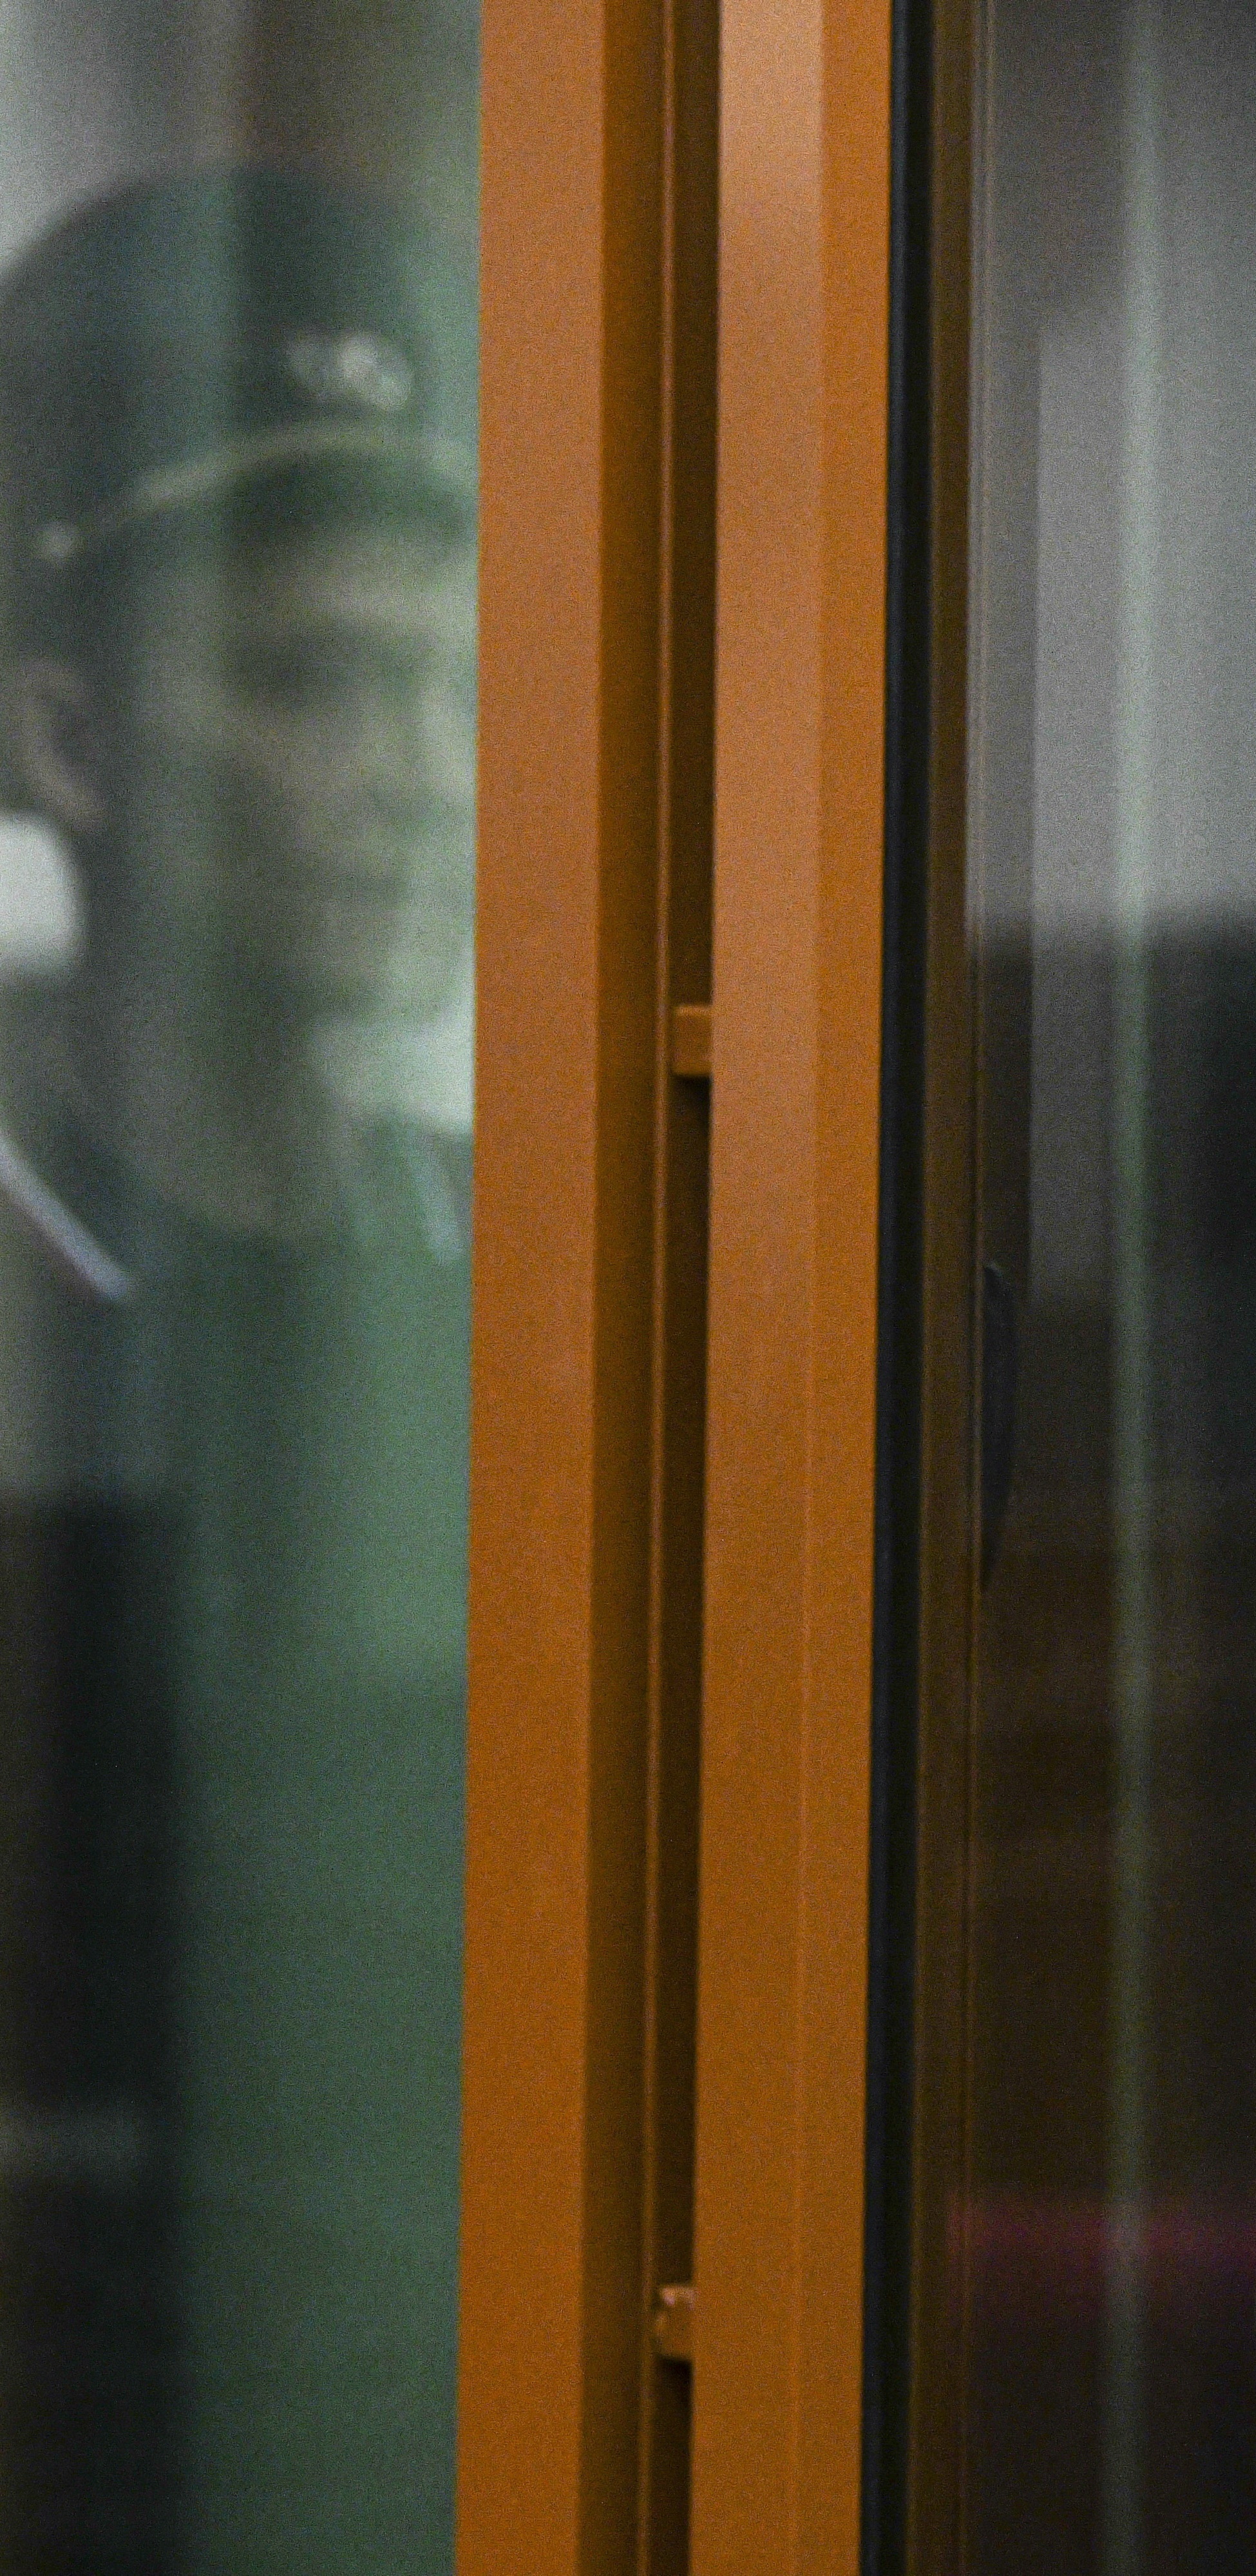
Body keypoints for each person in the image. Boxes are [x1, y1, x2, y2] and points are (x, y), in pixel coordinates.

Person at [0, 168, 474, 2573]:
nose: (413, 766)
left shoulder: (527, 1276)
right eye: (308, 683)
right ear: (70, 739)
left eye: (434, 680)